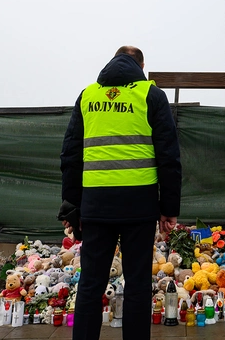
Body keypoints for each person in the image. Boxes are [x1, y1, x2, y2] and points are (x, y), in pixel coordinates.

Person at [60, 46, 182, 340]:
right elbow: (168, 156)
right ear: (140, 65)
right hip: (138, 207)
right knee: (138, 285)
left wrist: (71, 208)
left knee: (90, 284)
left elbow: (71, 155)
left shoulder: (88, 96)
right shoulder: (150, 95)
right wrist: (169, 208)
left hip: (96, 206)